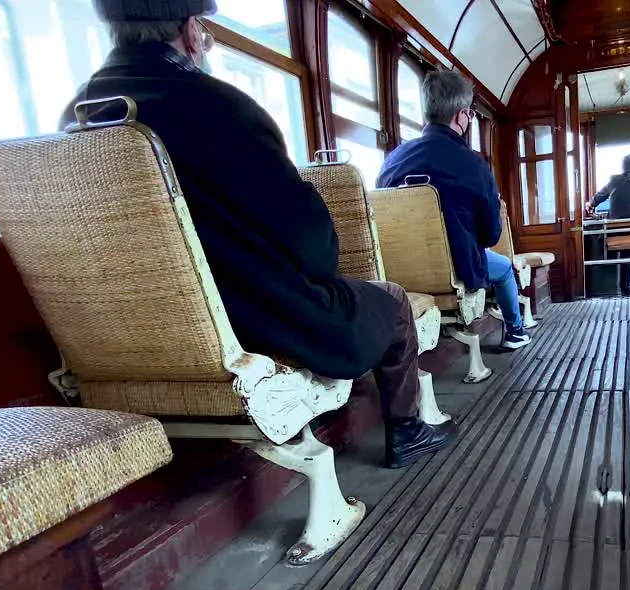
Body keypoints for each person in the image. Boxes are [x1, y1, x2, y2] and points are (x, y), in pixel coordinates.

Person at [66, 0, 455, 468]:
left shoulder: (78, 119)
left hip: (131, 340)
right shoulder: (221, 108)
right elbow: (313, 250)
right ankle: (408, 430)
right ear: (192, 33)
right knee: (391, 301)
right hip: (255, 317)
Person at [377, 71, 532, 350]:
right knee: (506, 268)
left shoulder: (393, 161)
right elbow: (490, 235)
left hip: (400, 273)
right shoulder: (473, 165)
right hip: (455, 268)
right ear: (462, 116)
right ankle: (515, 332)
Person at [585, 154, 630, 220]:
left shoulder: (614, 180)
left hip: (616, 226)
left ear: (623, 167)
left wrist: (590, 204)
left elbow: (599, 197)